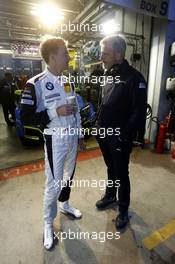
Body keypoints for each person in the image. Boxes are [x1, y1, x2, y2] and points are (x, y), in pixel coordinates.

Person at [20, 37, 85, 250]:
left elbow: (75, 109)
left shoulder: (68, 81)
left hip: (72, 138)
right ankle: (48, 223)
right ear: (52, 57)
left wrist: (80, 135)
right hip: (54, 139)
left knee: (69, 176)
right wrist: (53, 112)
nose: (68, 57)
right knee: (53, 183)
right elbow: (26, 117)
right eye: (65, 53)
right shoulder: (35, 83)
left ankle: (64, 204)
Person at [95, 35, 147, 230]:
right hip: (103, 134)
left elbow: (139, 113)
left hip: (118, 137)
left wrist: (123, 136)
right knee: (111, 168)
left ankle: (123, 209)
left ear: (118, 54)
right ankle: (110, 196)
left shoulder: (135, 78)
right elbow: (105, 103)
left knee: (121, 174)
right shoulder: (108, 74)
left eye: (105, 53)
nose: (102, 57)